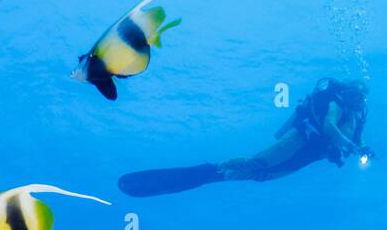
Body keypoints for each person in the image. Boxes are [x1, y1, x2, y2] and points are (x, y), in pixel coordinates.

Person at [118, 78, 373, 197]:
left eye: (359, 97)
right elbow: (328, 126)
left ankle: (218, 176)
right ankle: (215, 169)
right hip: (301, 138)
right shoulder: (336, 104)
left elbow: (357, 139)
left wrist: (362, 149)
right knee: (258, 164)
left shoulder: (355, 117)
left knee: (262, 176)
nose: (354, 99)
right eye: (352, 94)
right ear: (346, 91)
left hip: (313, 154)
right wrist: (351, 145)